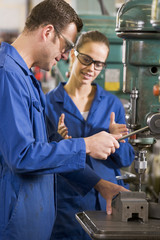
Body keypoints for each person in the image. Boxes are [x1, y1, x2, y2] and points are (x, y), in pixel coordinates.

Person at [0, 1, 130, 240]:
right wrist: (87, 144)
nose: (65, 55)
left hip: (34, 224)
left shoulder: (28, 79)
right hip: (15, 226)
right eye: (67, 45)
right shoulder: (6, 75)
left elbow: (50, 145)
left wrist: (101, 184)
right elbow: (22, 156)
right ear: (48, 31)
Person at [45, 30, 135, 240]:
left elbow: (127, 158)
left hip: (108, 202)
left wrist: (117, 140)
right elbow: (44, 156)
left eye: (99, 63)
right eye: (87, 59)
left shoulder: (112, 104)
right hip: (67, 204)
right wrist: (61, 143)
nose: (91, 68)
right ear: (74, 54)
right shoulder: (49, 103)